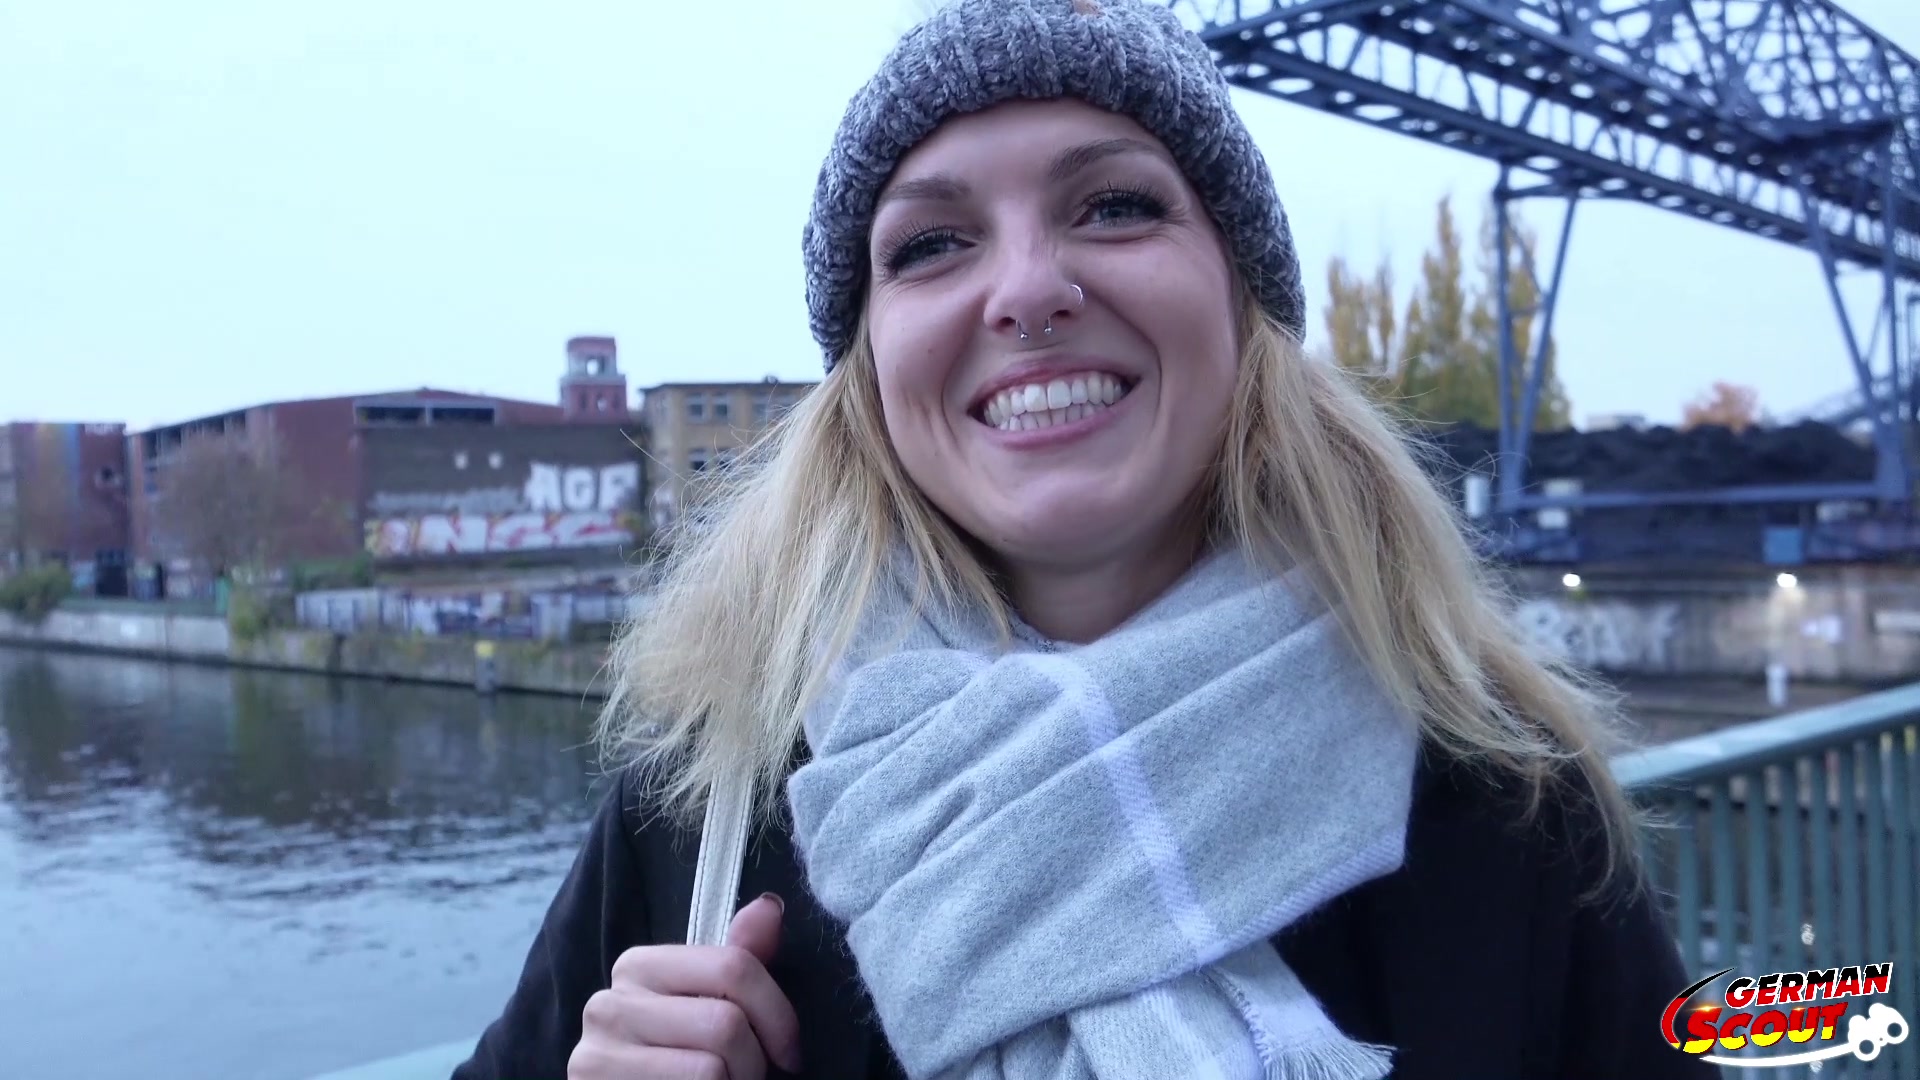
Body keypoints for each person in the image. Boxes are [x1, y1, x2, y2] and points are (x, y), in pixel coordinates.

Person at [453, 2, 1715, 1077]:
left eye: (1113, 206)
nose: (1026, 290)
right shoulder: (713, 794)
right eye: (934, 244)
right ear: (869, 370)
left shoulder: (1504, 790)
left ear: (1243, 303)